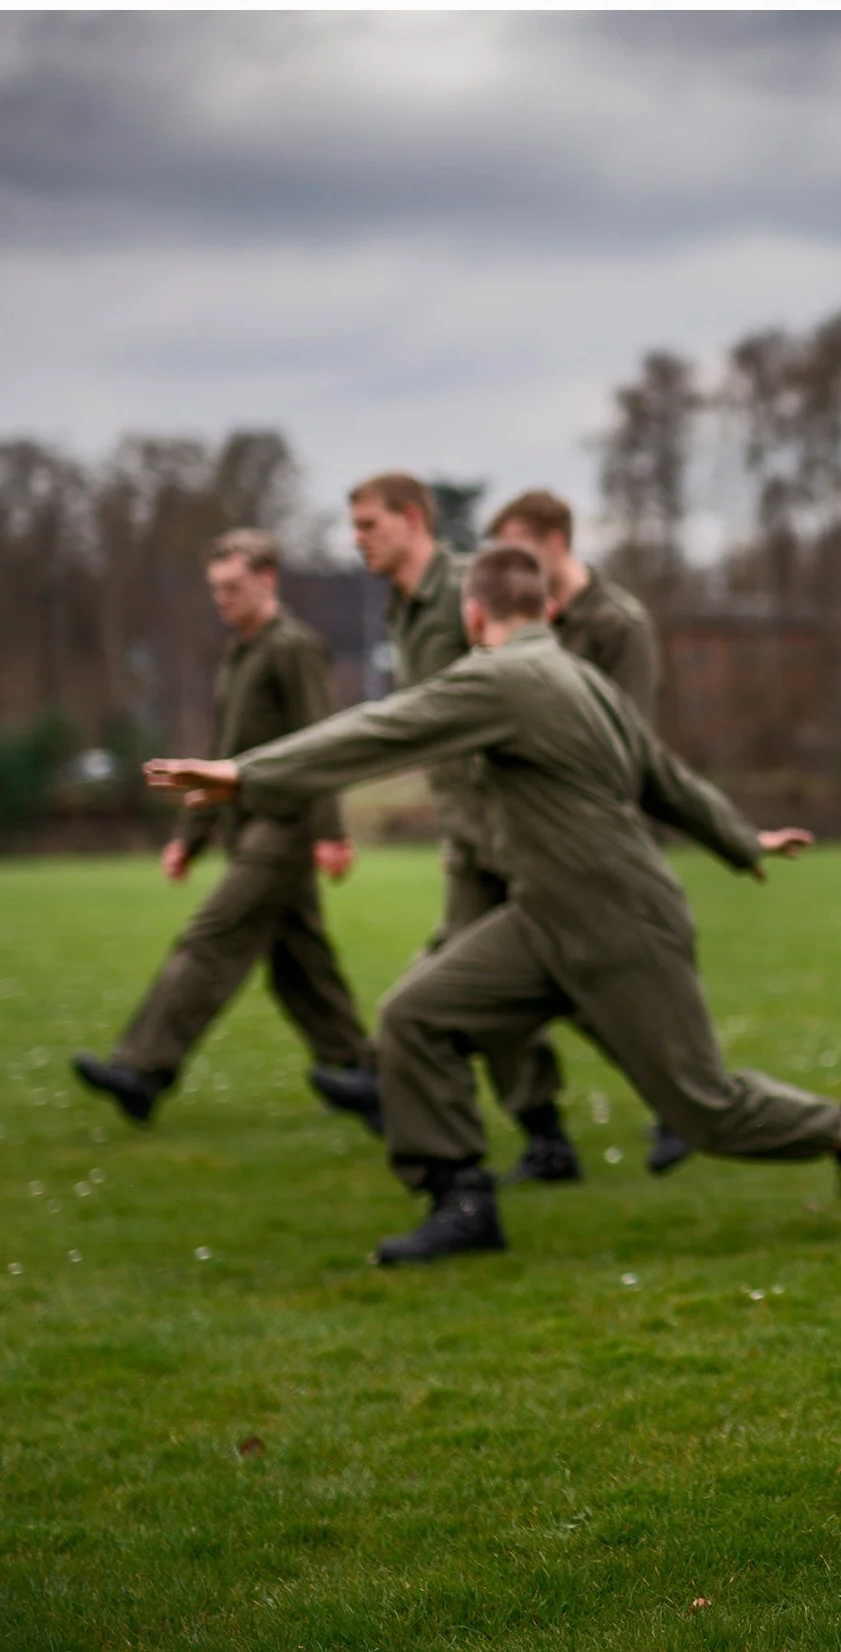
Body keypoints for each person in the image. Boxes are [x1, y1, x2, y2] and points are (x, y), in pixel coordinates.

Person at [143, 543, 841, 1264]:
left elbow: (385, 727)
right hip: (546, 917)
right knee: (417, 1018)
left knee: (705, 1109)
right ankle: (461, 1203)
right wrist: (739, 839)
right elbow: (665, 773)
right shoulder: (574, 673)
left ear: (473, 613)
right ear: (547, 608)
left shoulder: (505, 677)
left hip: (619, 921)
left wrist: (246, 775)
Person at [74, 530, 377, 1126]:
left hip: (283, 826)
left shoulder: (294, 649)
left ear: (269, 580)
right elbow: (222, 754)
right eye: (216, 588)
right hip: (246, 823)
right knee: (301, 970)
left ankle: (141, 1069)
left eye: (234, 586)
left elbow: (322, 743)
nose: (223, 598)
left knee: (211, 939)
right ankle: (371, 1081)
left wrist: (330, 832)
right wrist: (190, 837)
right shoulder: (241, 653)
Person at [329, 473, 568, 1158]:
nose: (358, 540)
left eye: (370, 525)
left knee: (572, 973)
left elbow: (533, 677)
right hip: (466, 830)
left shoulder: (473, 588)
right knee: (472, 977)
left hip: (512, 826)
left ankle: (684, 1090)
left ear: (411, 519)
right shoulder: (398, 609)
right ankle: (541, 1134)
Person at [482, 487, 682, 1182]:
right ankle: (545, 1132)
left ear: (555, 542)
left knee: (622, 983)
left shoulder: (616, 623)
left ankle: (684, 1103)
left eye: (518, 550)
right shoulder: (532, 624)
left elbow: (628, 742)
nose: (508, 566)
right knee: (500, 981)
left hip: (607, 838)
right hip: (529, 841)